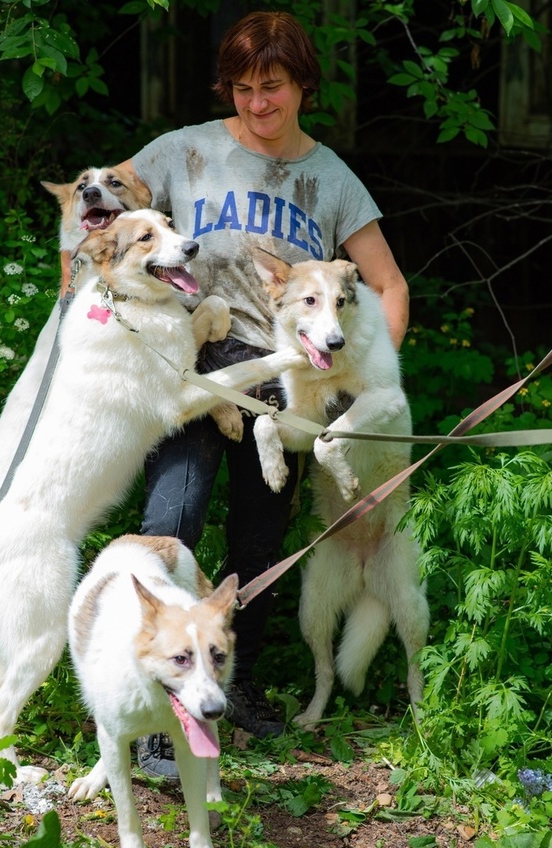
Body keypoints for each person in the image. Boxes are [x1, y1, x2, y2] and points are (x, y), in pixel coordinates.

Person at [113, 10, 409, 779]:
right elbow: (101, 202)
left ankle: (229, 688)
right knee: (170, 522)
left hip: (284, 378)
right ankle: (152, 714)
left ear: (302, 84)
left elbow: (388, 286)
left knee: (258, 543)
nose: (257, 103)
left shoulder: (332, 180)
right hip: (193, 363)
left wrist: (362, 383)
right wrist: (92, 290)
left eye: (272, 86)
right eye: (242, 89)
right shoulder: (184, 151)